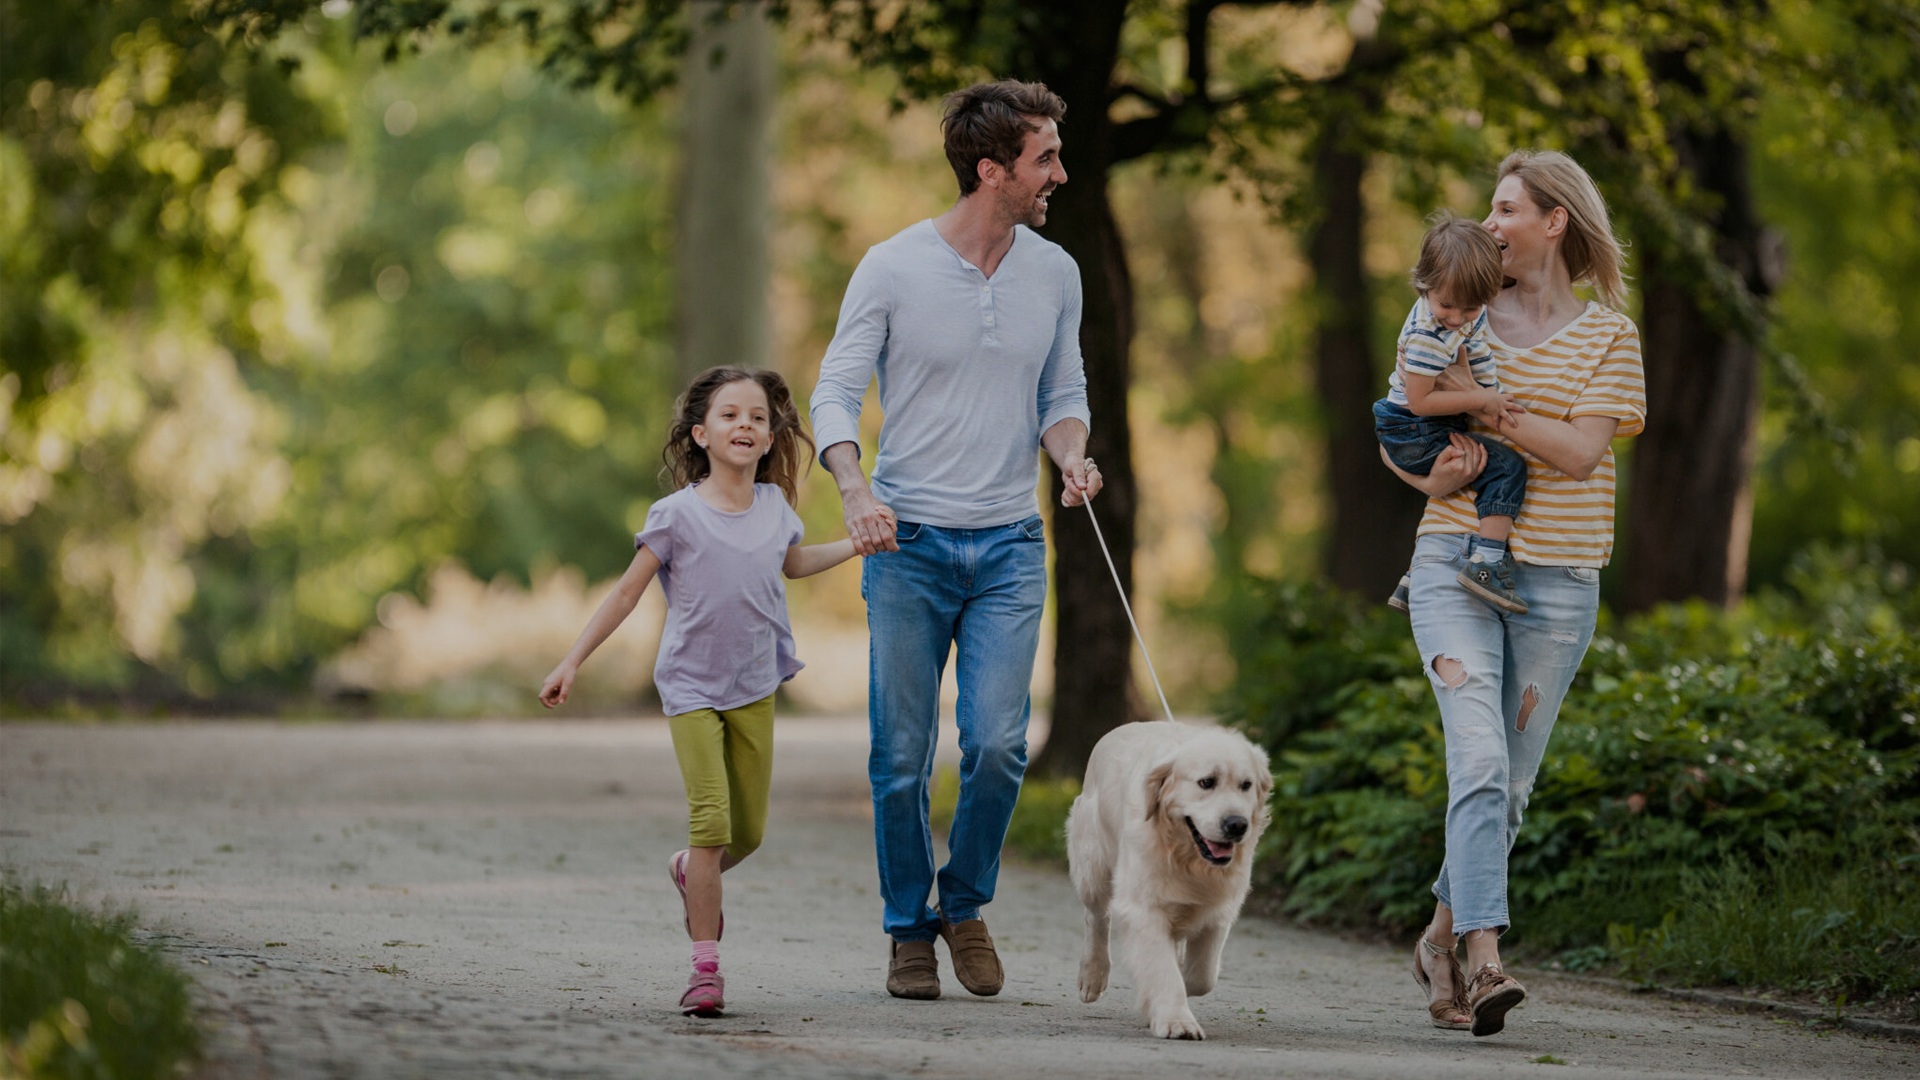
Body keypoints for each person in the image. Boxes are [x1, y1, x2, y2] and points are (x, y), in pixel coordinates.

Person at [808, 78, 1100, 1001]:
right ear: (992, 170)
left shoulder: (1055, 272)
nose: (1060, 171)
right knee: (899, 759)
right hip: (909, 547)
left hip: (1010, 545)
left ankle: (964, 903)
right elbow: (833, 393)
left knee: (1000, 744)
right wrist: (855, 489)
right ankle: (908, 928)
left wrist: (1073, 457)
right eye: (1044, 157)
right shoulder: (892, 267)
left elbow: (1063, 395)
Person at [1382, 150, 1645, 1037]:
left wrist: (1486, 413)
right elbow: (1398, 420)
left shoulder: (1610, 335)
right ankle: (1488, 958)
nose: (1489, 223)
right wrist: (1432, 485)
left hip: (1561, 580)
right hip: (1455, 563)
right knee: (1481, 761)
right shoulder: (1453, 306)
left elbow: (1580, 454)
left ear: (1554, 220)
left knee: (1513, 785)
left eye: (1505, 209)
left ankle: (1439, 941)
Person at [538, 366, 887, 1018]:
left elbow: (794, 563)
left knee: (746, 835)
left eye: (756, 416)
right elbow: (625, 592)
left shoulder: (776, 508)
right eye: (729, 415)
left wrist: (857, 544)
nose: (745, 426)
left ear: (770, 433)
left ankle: (688, 874)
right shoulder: (676, 515)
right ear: (700, 433)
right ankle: (705, 969)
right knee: (712, 822)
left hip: (755, 684)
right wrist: (572, 661)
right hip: (691, 686)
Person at [1376, 213, 1531, 616]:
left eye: (1472, 307)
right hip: (1413, 428)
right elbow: (1419, 402)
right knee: (1506, 468)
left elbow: (1474, 347)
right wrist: (1482, 401)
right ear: (1423, 284)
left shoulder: (1461, 310)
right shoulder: (1427, 337)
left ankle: (1416, 575)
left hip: (1424, 422)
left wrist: (1489, 391)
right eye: (1447, 306)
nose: (1458, 318)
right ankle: (1487, 566)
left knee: (1468, 473)